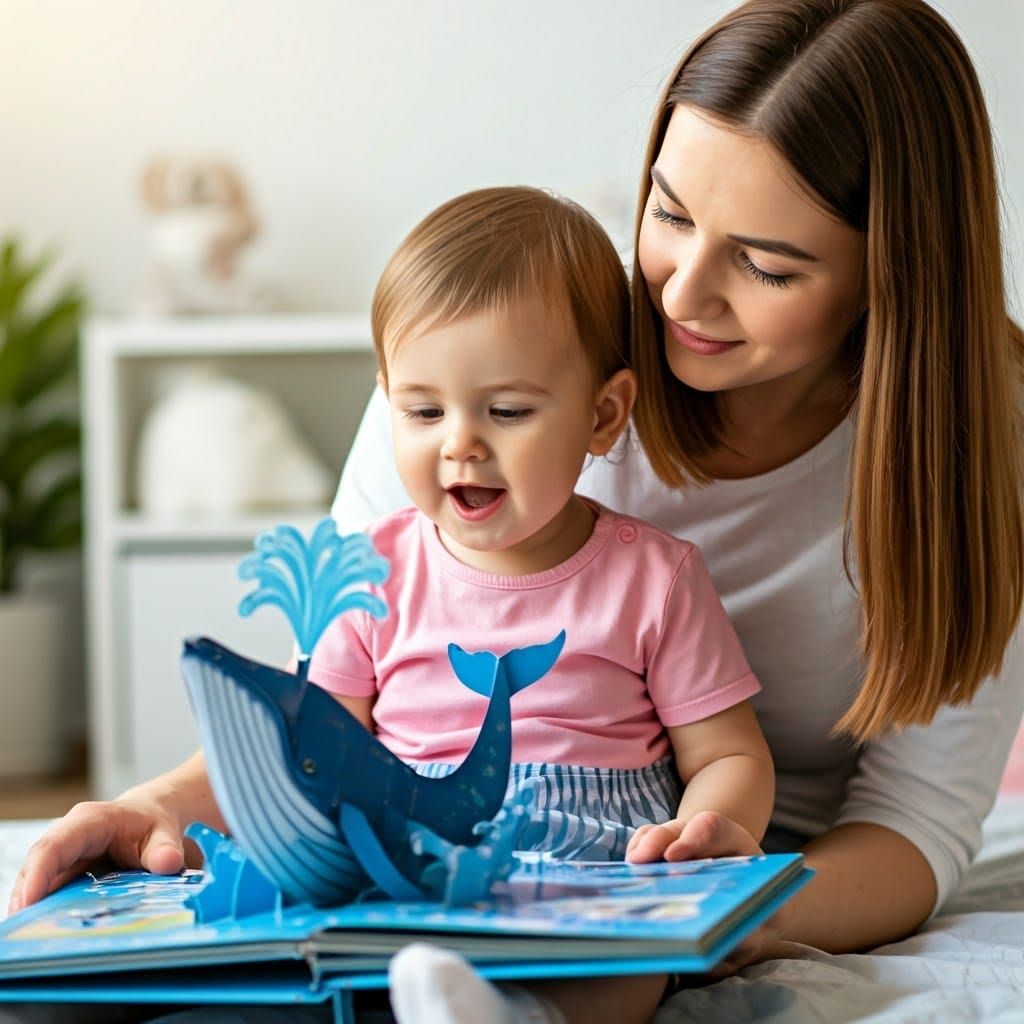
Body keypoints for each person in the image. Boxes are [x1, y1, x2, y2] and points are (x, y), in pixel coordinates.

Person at [7, 0, 1024, 1019]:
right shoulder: (512, 341)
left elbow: (914, 819)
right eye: (667, 212)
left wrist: (707, 911)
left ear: (890, 277)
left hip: (670, 871)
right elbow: (329, 698)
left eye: (766, 265)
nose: (679, 297)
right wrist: (149, 807)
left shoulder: (987, 438)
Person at [311, 184, 773, 1024]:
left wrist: (707, 831)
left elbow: (730, 756)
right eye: (421, 410)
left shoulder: (655, 578)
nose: (460, 442)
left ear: (603, 415)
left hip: (599, 870)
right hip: (420, 854)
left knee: (627, 968)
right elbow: (316, 743)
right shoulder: (365, 573)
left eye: (509, 410)